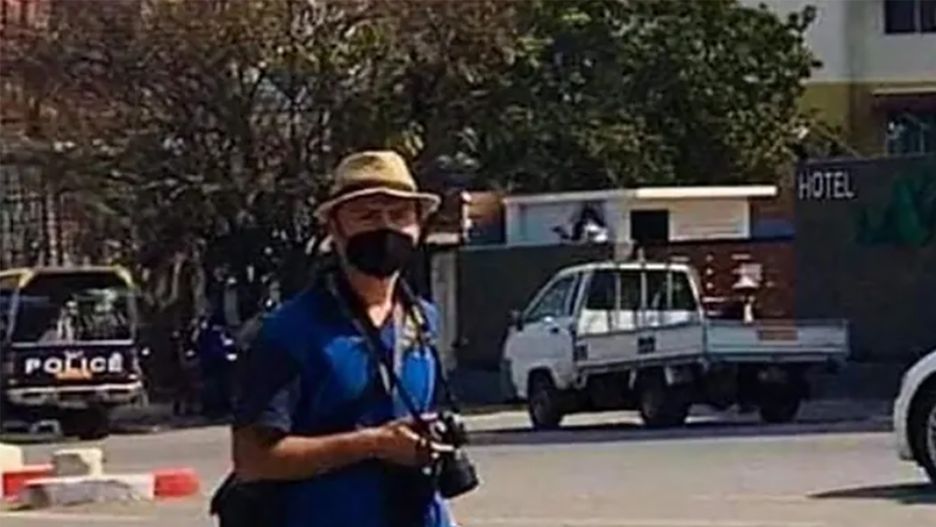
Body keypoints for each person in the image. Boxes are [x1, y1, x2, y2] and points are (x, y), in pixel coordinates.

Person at [230, 150, 456, 527]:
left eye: (399, 215)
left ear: (418, 226)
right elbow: (253, 459)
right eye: (367, 216)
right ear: (335, 229)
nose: (386, 228)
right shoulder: (290, 330)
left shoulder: (423, 320)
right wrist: (373, 445)